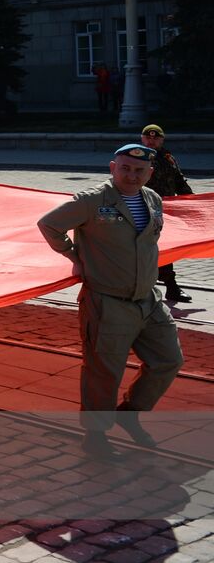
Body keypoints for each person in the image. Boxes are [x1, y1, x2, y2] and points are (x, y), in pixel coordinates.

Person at [37, 144, 185, 458]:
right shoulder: (92, 201)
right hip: (107, 302)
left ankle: (129, 413)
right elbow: (48, 224)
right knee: (103, 371)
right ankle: (95, 435)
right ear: (112, 168)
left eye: (139, 171)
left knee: (168, 361)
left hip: (148, 299)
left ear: (150, 173)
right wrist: (73, 256)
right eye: (125, 168)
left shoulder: (153, 199)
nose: (132, 175)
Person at [141, 124, 196, 305]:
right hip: (142, 210)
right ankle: (169, 286)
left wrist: (194, 204)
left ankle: (169, 287)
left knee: (162, 248)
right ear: (142, 138)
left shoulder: (168, 157)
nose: (151, 140)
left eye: (155, 138)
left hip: (164, 212)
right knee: (149, 249)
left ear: (162, 140)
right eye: (148, 137)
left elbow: (179, 181)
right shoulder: (136, 156)